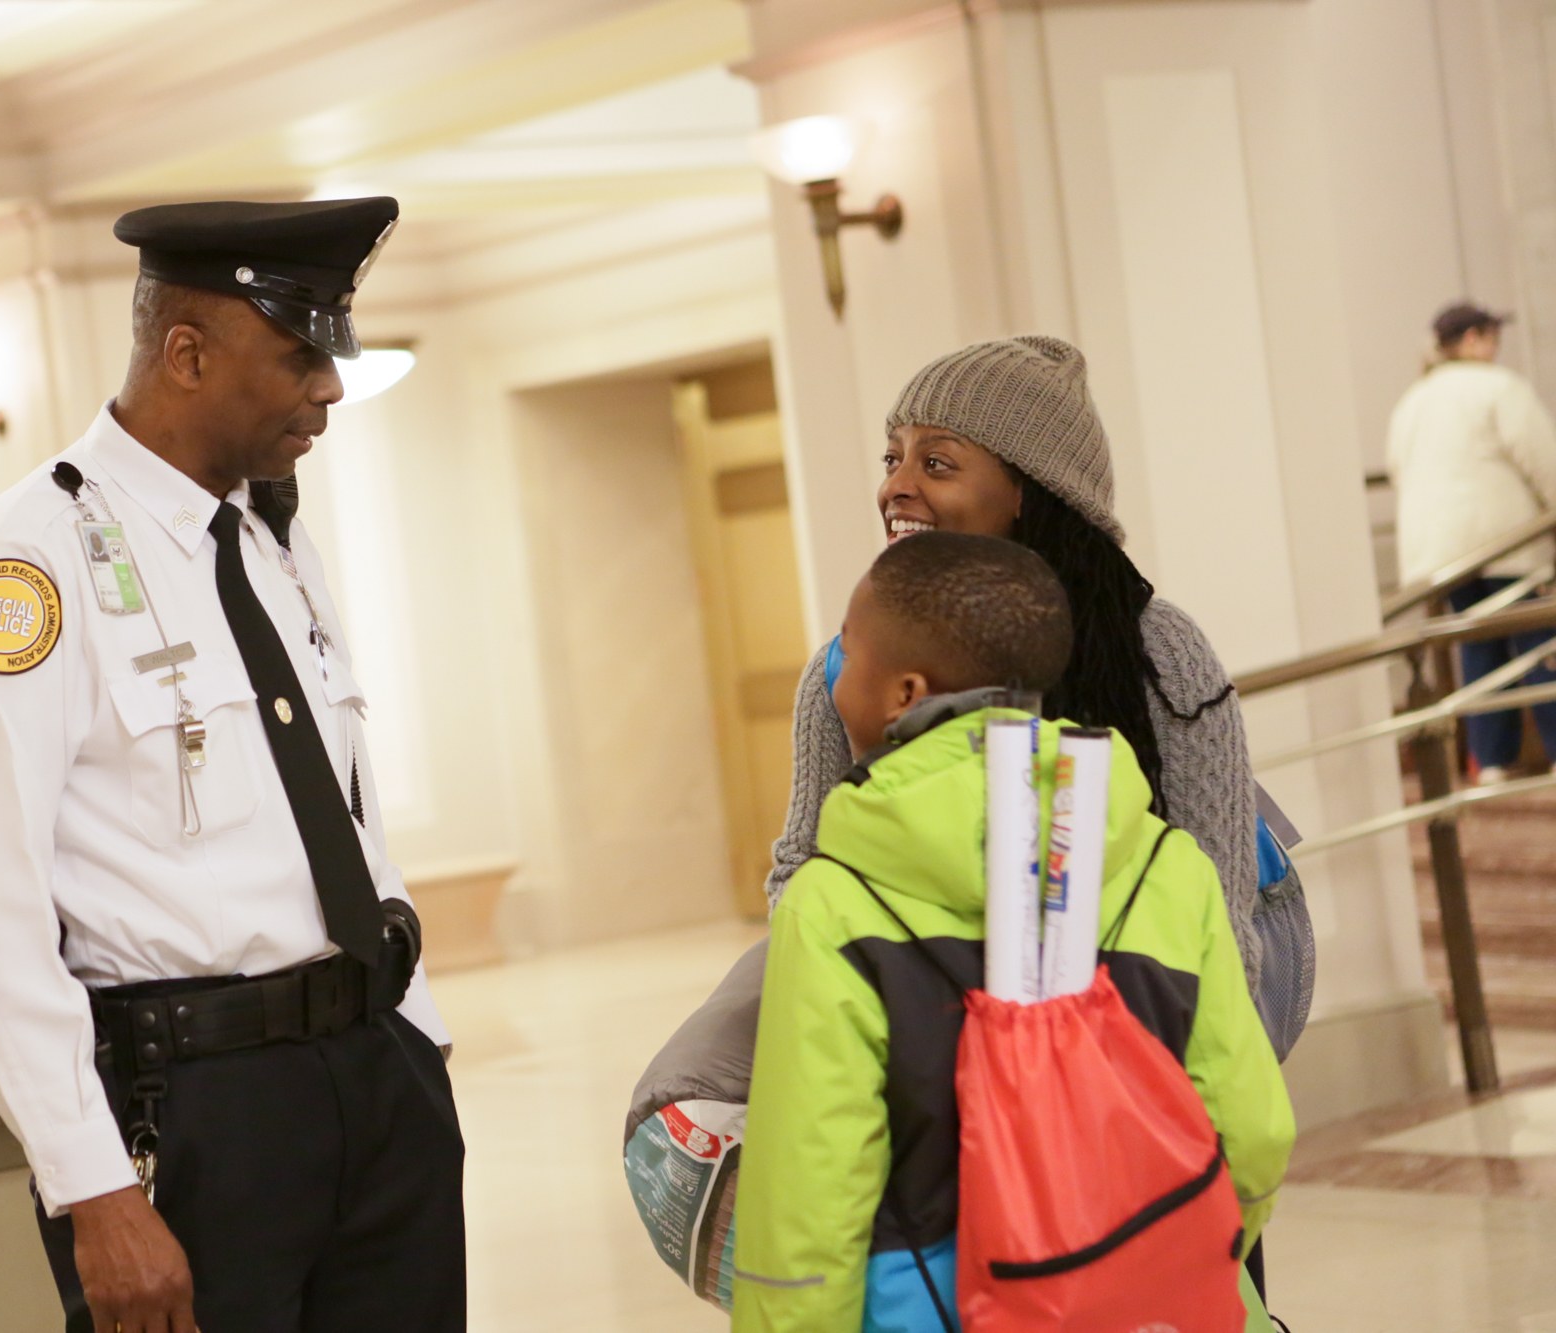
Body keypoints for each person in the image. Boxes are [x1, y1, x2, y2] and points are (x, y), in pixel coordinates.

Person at [626, 335, 1311, 1306]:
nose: (896, 485)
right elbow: (799, 872)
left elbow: (1221, 943)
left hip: (1137, 1042)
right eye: (891, 457)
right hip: (926, 1023)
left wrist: (1134, 1148)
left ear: (1031, 493)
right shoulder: (846, 668)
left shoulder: (1159, 654)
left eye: (935, 461)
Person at [0, 197, 465, 1333]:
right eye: (300, 355)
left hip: (374, 1075)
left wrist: (420, 1042)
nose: (330, 388)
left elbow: (337, 803)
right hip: (196, 1109)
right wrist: (93, 1186)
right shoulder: (31, 563)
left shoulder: (270, 536)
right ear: (186, 351)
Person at [729, 531, 1294, 1332]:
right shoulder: (1165, 863)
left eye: (847, 658)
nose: (836, 682)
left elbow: (810, 1190)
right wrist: (1143, 1257)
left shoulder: (835, 902)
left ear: (903, 692)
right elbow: (1253, 1128)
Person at [1387, 301, 1556, 782]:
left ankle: (1493, 763)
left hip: (1444, 555)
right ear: (1472, 340)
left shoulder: (1413, 399)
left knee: (1479, 651)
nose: (1495, 345)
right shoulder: (1499, 387)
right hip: (1506, 542)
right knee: (1538, 645)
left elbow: (1400, 471)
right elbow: (1543, 459)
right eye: (1489, 334)